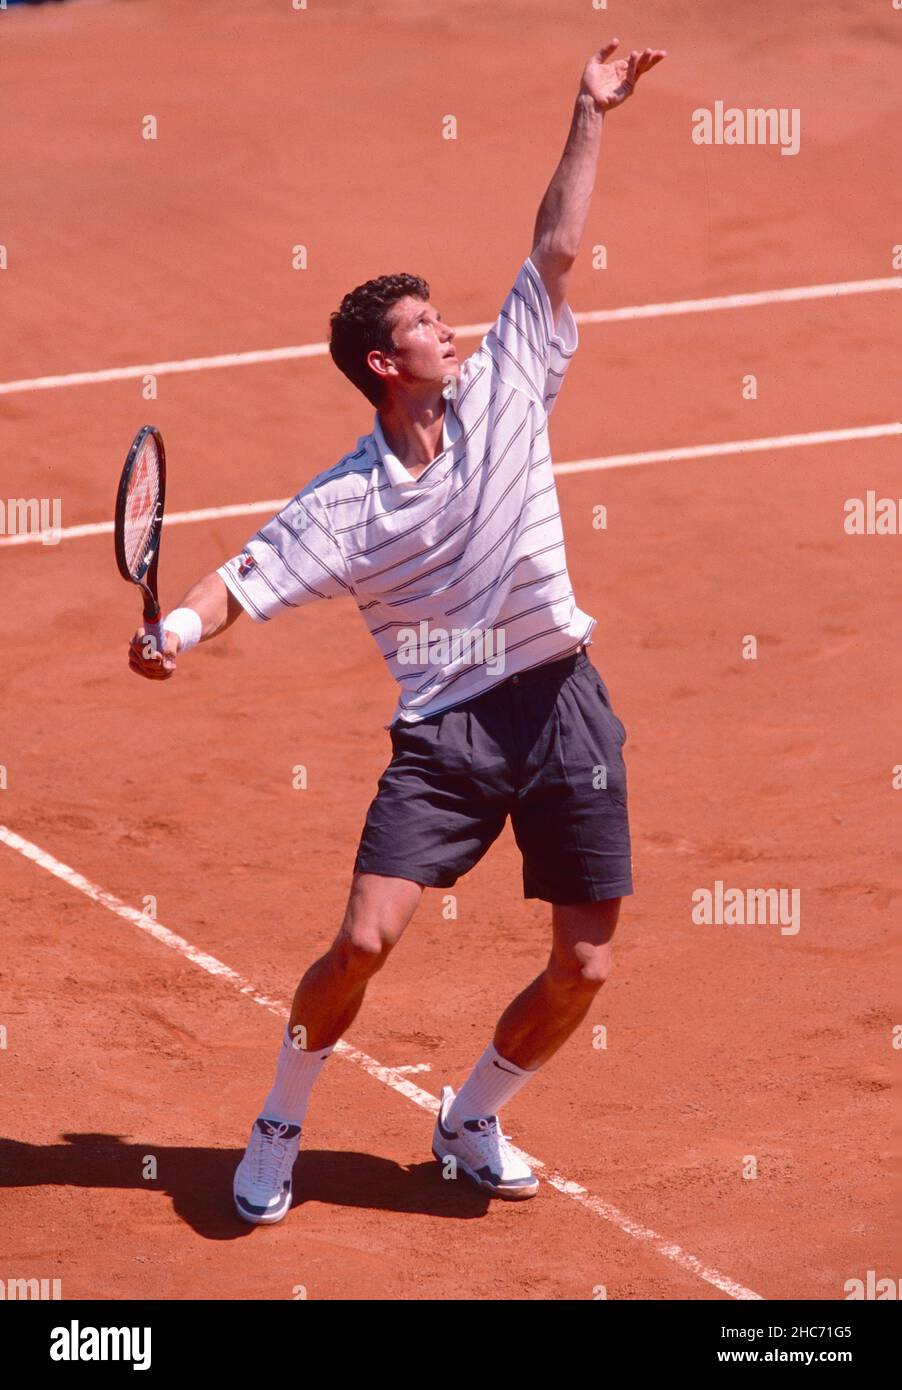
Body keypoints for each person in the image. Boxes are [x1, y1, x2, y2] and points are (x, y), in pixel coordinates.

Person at [129, 38, 667, 1224]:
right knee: (364, 942)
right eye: (429, 324)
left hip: (563, 696)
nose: (452, 329)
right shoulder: (345, 501)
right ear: (386, 364)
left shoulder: (511, 380)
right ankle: (280, 1117)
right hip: (446, 736)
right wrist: (172, 623)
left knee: (585, 964)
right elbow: (241, 576)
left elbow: (557, 247)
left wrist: (589, 112)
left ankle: (471, 1113)